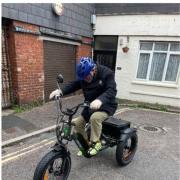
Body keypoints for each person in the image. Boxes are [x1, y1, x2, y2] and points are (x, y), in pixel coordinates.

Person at [49, 57, 117, 156]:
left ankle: (96, 143)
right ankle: (86, 145)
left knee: (95, 118)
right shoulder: (84, 76)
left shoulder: (106, 73)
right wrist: (60, 91)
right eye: (83, 78)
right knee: (77, 124)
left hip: (107, 105)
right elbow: (74, 85)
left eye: (87, 77)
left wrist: (100, 100)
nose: (85, 79)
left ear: (93, 69)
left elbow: (112, 90)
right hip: (90, 105)